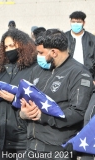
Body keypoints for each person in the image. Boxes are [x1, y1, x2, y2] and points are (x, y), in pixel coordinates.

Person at [20, 29, 93, 160]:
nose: (38, 56)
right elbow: (25, 100)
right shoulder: (37, 70)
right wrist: (23, 114)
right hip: (31, 148)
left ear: (53, 52)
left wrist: (43, 116)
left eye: (41, 53)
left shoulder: (79, 73)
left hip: (57, 151)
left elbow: (77, 113)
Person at [0, 29, 37, 160]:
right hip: (1, 136)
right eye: (5, 46)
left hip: (22, 138)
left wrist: (14, 99)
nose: (8, 49)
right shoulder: (2, 72)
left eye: (12, 45)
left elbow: (36, 101)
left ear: (23, 45)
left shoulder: (34, 70)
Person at [65, 11, 95, 81]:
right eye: (73, 21)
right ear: (70, 22)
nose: (75, 24)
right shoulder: (64, 37)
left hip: (87, 75)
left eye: (78, 22)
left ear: (83, 23)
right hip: (67, 75)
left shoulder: (92, 39)